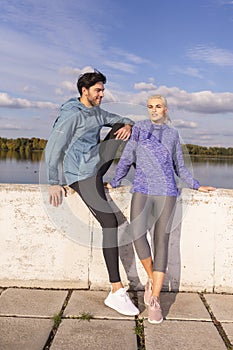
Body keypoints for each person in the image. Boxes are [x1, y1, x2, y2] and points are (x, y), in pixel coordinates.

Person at [106, 94, 216, 323]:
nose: (153, 109)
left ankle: (155, 298)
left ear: (165, 109)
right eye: (150, 106)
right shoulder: (138, 129)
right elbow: (127, 158)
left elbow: (180, 167)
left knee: (161, 241)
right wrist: (116, 180)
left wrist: (196, 185)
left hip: (167, 191)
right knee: (136, 234)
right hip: (142, 189)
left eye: (158, 106)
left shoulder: (173, 134)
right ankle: (152, 277)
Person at [45, 69, 139, 316]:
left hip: (95, 164)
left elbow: (125, 118)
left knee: (124, 127)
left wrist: (127, 123)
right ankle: (116, 290)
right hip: (81, 175)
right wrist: (54, 181)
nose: (102, 95)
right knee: (110, 222)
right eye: (97, 90)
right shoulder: (70, 115)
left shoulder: (97, 112)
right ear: (84, 91)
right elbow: (53, 148)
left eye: (103, 90)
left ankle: (147, 179)